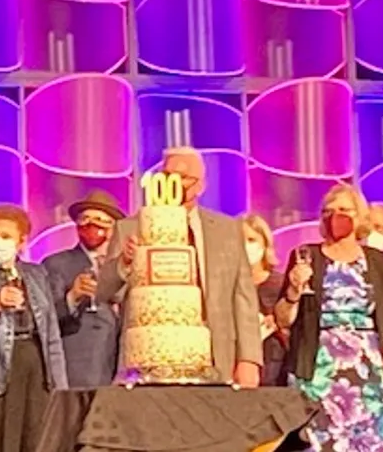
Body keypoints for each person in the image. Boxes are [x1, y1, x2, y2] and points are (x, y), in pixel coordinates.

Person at [97, 147, 263, 387]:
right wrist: (125, 262)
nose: (175, 183)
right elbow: (104, 291)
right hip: (150, 361)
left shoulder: (227, 231)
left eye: (184, 177)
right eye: (168, 176)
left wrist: (249, 359)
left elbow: (244, 299)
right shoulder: (131, 228)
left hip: (216, 359)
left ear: (200, 185)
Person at [274, 184, 383, 450]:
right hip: (318, 367)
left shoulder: (377, 261)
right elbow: (283, 319)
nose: (334, 216)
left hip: (366, 369)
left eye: (342, 210)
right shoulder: (305, 256)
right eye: (328, 211)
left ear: (359, 216)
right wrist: (294, 290)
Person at [0, 205, 67, 452]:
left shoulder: (37, 273)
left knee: (35, 438)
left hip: (35, 366)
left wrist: (59, 386)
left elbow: (51, 335)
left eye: (5, 237)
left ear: (21, 241)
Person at [42, 190, 123, 388]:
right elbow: (44, 320)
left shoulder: (125, 264)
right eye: (84, 219)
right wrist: (72, 297)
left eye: (99, 219)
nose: (90, 224)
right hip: (80, 371)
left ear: (113, 227)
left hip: (121, 368)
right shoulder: (56, 264)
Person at [241, 213, 287, 386]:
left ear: (265, 244)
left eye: (252, 240)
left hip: (273, 363)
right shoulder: (226, 283)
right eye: (240, 240)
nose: (246, 246)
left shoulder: (280, 283)